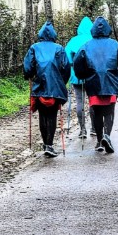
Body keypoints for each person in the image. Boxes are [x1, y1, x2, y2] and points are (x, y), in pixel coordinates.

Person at [73, 17, 118, 153]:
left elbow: (77, 63)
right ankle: (107, 135)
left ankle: (99, 141)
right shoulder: (114, 44)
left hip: (93, 84)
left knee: (97, 111)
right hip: (111, 83)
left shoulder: (87, 45)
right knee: (109, 110)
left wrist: (82, 75)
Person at [22, 21, 70, 158]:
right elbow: (66, 68)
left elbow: (28, 68)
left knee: (43, 115)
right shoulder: (59, 48)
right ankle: (49, 145)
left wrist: (29, 75)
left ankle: (45, 144)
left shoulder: (34, 48)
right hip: (55, 86)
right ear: (54, 34)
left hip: (39, 86)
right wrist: (61, 82)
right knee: (52, 115)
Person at [64, 16, 94, 139]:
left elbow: (66, 59)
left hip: (76, 77)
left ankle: (82, 130)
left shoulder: (73, 41)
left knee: (79, 102)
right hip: (92, 77)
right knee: (93, 102)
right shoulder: (94, 40)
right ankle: (94, 128)